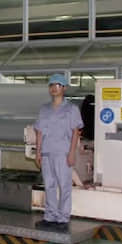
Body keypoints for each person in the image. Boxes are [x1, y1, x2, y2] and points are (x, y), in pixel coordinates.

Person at [33, 73, 83, 232]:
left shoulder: (71, 109)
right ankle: (50, 216)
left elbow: (75, 132)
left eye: (58, 85)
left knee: (64, 185)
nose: (54, 88)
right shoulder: (44, 109)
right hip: (47, 152)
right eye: (51, 85)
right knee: (49, 185)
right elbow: (39, 132)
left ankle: (63, 218)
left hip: (63, 152)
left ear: (64, 88)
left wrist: (72, 153)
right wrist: (38, 152)